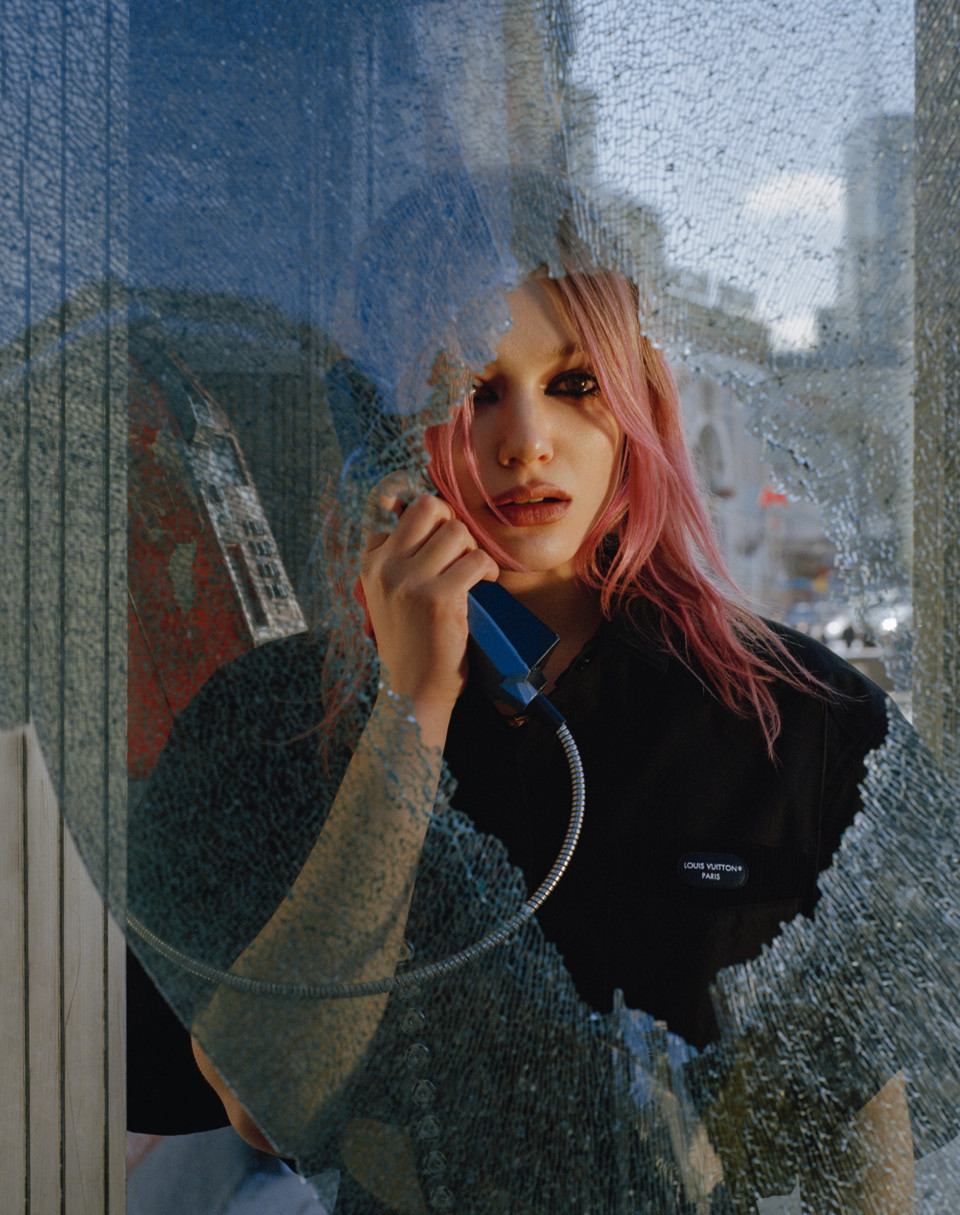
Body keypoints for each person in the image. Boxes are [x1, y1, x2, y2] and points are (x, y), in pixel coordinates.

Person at [128, 268, 909, 1212]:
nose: (527, 442)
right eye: (470, 392)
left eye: (575, 385)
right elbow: (266, 1100)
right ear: (386, 432)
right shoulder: (276, 719)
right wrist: (412, 703)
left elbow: (864, 1145)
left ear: (636, 408)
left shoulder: (796, 718)